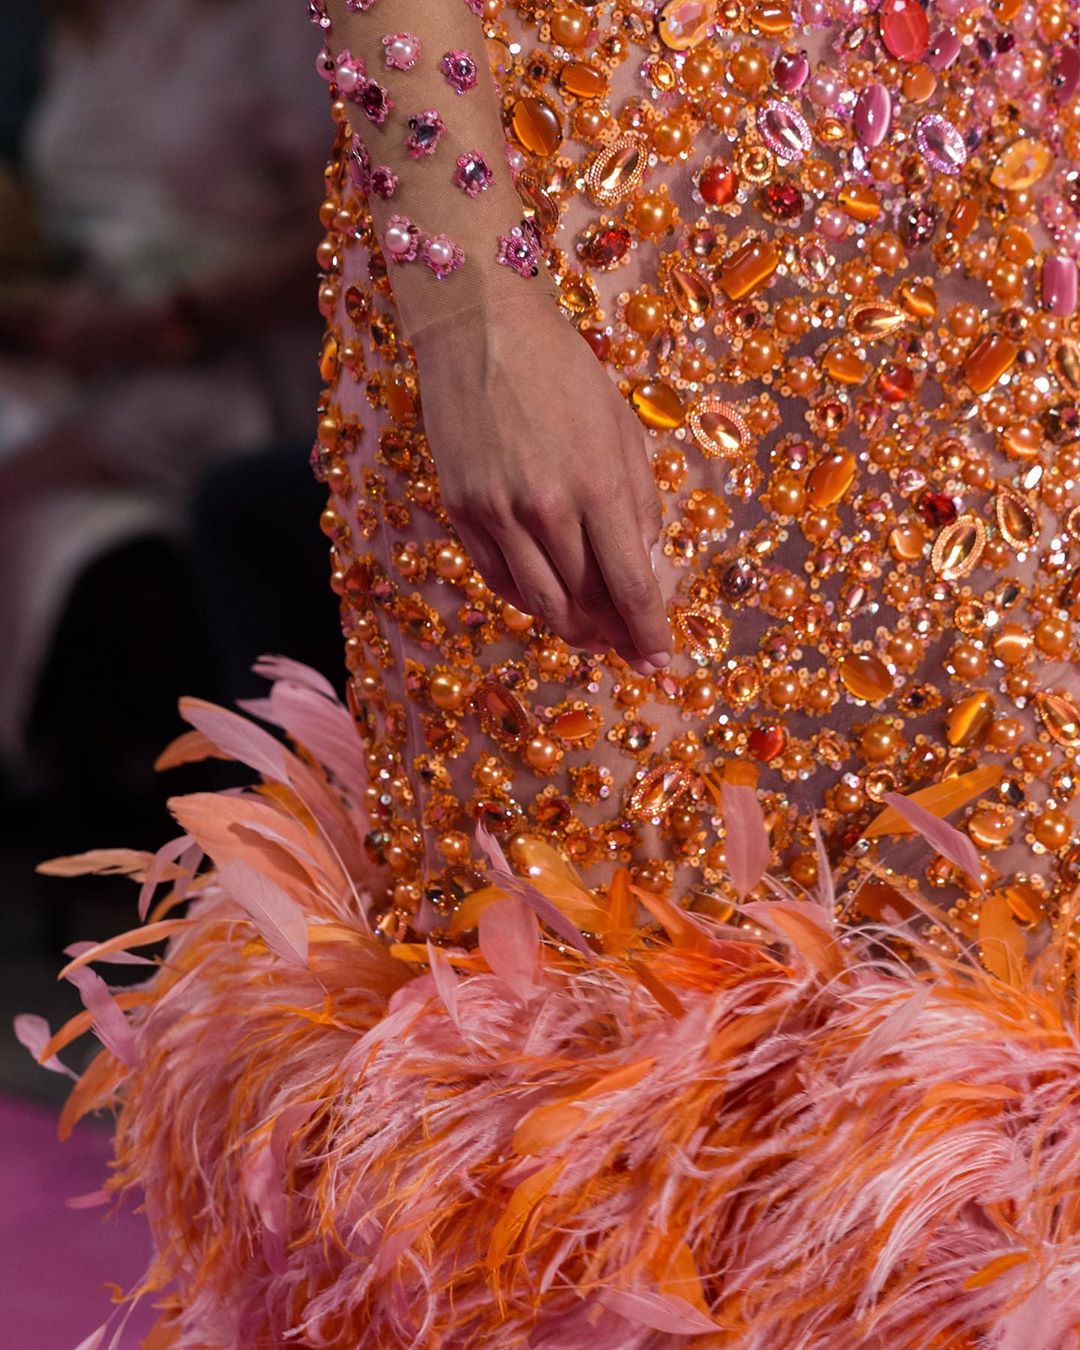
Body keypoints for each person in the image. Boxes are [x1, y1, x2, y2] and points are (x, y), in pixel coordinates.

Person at [24, 0, 1080, 1344]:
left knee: (983, 1101)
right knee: (571, 1105)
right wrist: (471, 297)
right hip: (600, 224)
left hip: (1003, 253)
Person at [0, 0, 328, 769]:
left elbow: (361, 229)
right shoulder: (83, 28)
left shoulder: (281, 22)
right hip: (103, 348)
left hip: (247, 359)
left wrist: (170, 317)